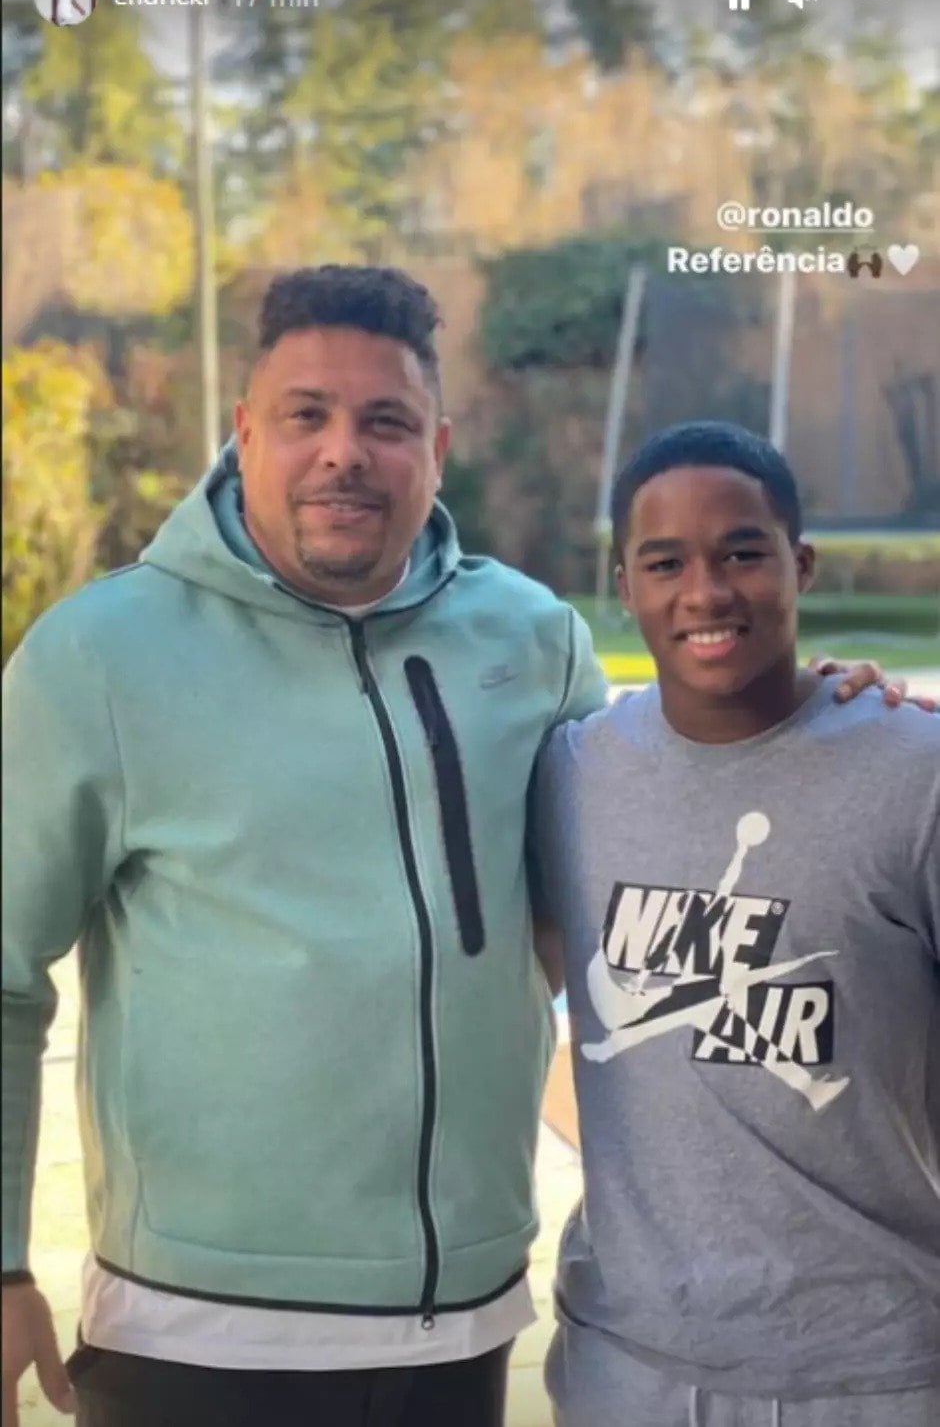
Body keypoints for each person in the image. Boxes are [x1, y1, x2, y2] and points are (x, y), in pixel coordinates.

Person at [0, 269, 917, 1427]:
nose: (345, 451)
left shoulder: (530, 637)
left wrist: (822, 710)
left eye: (384, 421)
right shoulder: (98, 656)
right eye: (305, 414)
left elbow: (659, 800)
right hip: (195, 1331)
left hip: (463, 1328)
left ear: (434, 447)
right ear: (244, 432)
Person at [536, 421, 940, 1427]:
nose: (705, 592)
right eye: (665, 562)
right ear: (624, 586)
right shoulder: (569, 775)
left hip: (879, 1374)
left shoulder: (915, 775)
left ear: (800, 565)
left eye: (742, 554)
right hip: (627, 1369)